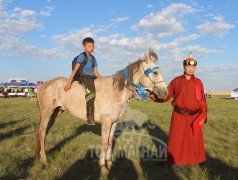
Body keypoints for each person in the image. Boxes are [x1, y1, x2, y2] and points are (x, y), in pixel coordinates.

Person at [150, 52, 207, 166]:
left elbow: (203, 102)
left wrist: (203, 116)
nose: (191, 69)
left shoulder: (199, 82)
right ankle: (176, 161)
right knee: (177, 140)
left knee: (194, 141)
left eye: (193, 67)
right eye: (189, 66)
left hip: (195, 116)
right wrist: (155, 96)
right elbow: (167, 95)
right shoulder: (176, 81)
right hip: (179, 115)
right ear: (184, 67)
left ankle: (194, 161)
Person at [64, 37, 101, 125]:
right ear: (84, 47)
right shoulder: (82, 56)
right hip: (84, 77)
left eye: (93, 46)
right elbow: (75, 69)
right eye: (89, 46)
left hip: (92, 77)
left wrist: (103, 80)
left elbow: (96, 72)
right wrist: (69, 82)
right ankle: (90, 117)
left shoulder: (93, 59)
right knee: (90, 92)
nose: (91, 48)